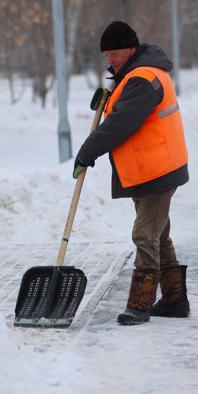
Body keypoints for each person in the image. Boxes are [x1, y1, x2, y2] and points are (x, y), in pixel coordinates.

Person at [73, 21, 190, 326]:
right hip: (152, 167)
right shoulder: (138, 73)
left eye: (113, 54)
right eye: (106, 56)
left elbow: (122, 123)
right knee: (158, 234)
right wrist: (107, 100)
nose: (109, 61)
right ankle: (176, 300)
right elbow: (123, 111)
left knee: (144, 234)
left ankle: (140, 303)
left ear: (130, 49)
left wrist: (88, 150)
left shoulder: (142, 78)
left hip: (157, 169)